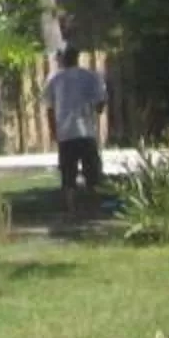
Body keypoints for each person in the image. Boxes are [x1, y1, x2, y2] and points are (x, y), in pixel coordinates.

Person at [45, 46, 108, 214]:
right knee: (92, 173)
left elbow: (50, 109)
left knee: (68, 174)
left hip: (66, 134)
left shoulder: (54, 80)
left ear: (62, 59)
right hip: (86, 132)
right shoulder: (91, 77)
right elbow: (100, 105)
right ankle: (95, 207)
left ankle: (71, 208)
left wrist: (53, 132)